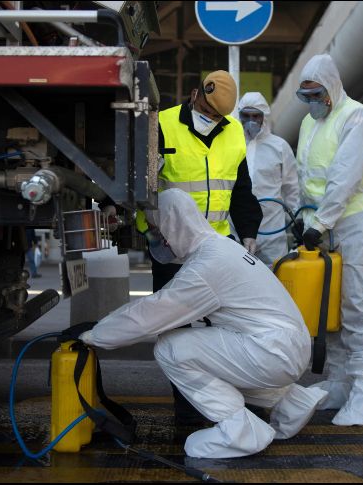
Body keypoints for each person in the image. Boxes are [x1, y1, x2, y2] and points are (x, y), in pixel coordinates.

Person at [78, 189, 327, 458]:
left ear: (173, 225)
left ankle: (239, 430)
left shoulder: (207, 266)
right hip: (286, 347)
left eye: (157, 229)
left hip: (274, 351)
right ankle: (292, 403)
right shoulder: (221, 247)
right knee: (212, 354)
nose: (157, 237)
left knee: (171, 349)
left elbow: (152, 314)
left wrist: (94, 334)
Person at [136, 70, 263, 425]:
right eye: (206, 110)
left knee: (222, 331)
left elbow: (241, 191)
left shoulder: (234, 132)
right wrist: (148, 229)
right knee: (177, 334)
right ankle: (188, 414)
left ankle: (223, 404)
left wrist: (249, 232)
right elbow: (140, 186)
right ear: (195, 95)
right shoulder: (161, 126)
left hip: (215, 248)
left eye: (217, 116)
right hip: (171, 248)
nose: (210, 118)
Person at [295, 53, 363, 426]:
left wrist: (320, 221)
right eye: (305, 97)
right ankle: (338, 383)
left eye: (316, 95)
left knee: (356, 304)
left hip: (353, 222)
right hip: (322, 224)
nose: (311, 103)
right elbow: (306, 176)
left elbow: (344, 175)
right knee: (329, 305)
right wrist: (302, 217)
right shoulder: (309, 123)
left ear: (331, 88)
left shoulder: (358, 117)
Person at [237, 92, 299, 266]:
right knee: (238, 276)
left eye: (256, 116)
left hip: (272, 231)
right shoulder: (233, 145)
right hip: (238, 229)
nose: (251, 121)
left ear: (264, 116)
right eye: (246, 115)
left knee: (276, 275)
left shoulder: (280, 147)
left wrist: (296, 221)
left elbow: (292, 188)